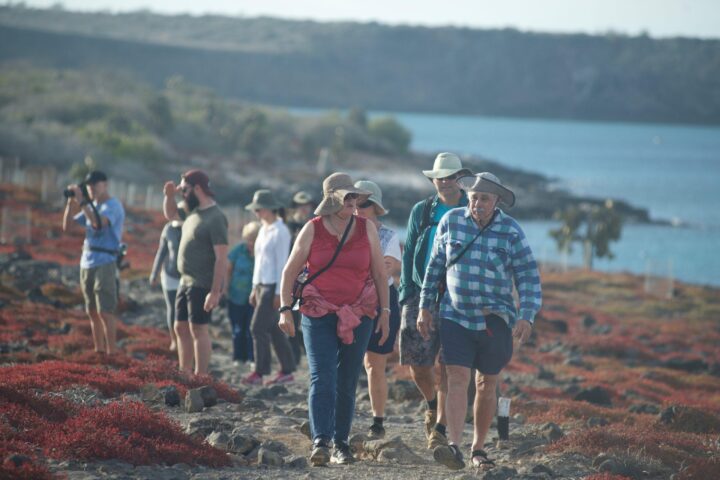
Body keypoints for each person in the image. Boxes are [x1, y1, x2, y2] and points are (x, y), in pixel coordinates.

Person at [418, 172, 542, 470]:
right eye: (474, 198)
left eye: (484, 198)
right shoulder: (452, 221)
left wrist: (526, 315)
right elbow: (435, 266)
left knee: (487, 383)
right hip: (455, 315)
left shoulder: (511, 231)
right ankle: (454, 446)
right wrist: (424, 306)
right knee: (457, 378)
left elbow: (528, 275)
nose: (478, 204)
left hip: (495, 320)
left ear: (497, 200)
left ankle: (478, 448)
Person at [278, 172, 390, 466]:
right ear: (331, 199)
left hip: (360, 314)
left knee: (347, 379)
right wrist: (284, 309)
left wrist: (386, 313)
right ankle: (321, 441)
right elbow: (289, 272)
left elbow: (380, 274)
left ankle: (341, 443)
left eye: (356, 197)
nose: (353, 203)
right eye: (347, 197)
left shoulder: (367, 229)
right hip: (318, 312)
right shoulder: (312, 229)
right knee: (322, 376)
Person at [398, 152, 471, 449]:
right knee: (417, 362)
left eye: (450, 176)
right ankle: (431, 404)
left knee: (450, 364)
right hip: (419, 292)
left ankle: (439, 429)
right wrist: (406, 294)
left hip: (455, 296)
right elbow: (408, 252)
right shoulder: (423, 210)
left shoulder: (471, 207)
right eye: (439, 177)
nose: (443, 181)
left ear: (459, 178)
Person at [163, 169, 228, 375]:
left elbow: (221, 257)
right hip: (185, 280)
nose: (183, 193)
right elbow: (170, 214)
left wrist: (215, 291)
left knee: (198, 329)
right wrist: (169, 196)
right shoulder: (191, 210)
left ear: (197, 188)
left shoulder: (216, 217)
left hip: (202, 283)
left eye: (184, 189)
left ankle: (200, 376)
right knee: (179, 327)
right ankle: (185, 372)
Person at [354, 180, 402, 440]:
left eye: (364, 203)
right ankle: (341, 415)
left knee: (374, 363)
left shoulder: (389, 236)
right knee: (347, 361)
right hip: (349, 298)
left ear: (375, 207)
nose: (357, 208)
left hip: (381, 300)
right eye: (353, 202)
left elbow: (387, 270)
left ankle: (378, 420)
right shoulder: (344, 232)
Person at [62, 170, 125, 355]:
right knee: (91, 311)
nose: (91, 188)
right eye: (88, 185)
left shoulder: (113, 206)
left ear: (105, 184)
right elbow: (68, 226)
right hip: (87, 261)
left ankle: (111, 352)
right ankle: (99, 351)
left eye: (95, 184)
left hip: (105, 261)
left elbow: (98, 223)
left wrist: (83, 202)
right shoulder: (90, 205)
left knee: (105, 310)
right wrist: (71, 202)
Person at [242, 189, 296, 386]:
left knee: (256, 328)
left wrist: (278, 293)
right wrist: (254, 287)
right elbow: (259, 262)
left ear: (270, 209)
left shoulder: (281, 231)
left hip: (273, 285)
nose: (256, 212)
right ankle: (287, 370)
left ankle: (259, 371)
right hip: (261, 284)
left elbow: (283, 263)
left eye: (259, 208)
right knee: (273, 329)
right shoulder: (263, 229)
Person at [149, 202, 186, 351]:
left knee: (183, 310)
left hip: (187, 276)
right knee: (172, 308)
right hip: (170, 275)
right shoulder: (168, 228)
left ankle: (185, 341)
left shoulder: (192, 227)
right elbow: (162, 251)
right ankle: (174, 340)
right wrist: (154, 273)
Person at [285, 190, 315, 363]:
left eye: (307, 204)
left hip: (310, 277)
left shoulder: (313, 225)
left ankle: (301, 355)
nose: (304, 208)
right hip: (293, 276)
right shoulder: (288, 226)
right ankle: (293, 357)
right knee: (292, 316)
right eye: (301, 205)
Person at [226, 221, 260, 365]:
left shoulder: (263, 253)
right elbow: (228, 270)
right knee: (237, 329)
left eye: (255, 240)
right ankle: (239, 358)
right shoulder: (238, 251)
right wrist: (225, 289)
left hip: (255, 298)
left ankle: (252, 358)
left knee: (251, 329)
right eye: (249, 239)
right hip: (236, 296)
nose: (251, 243)